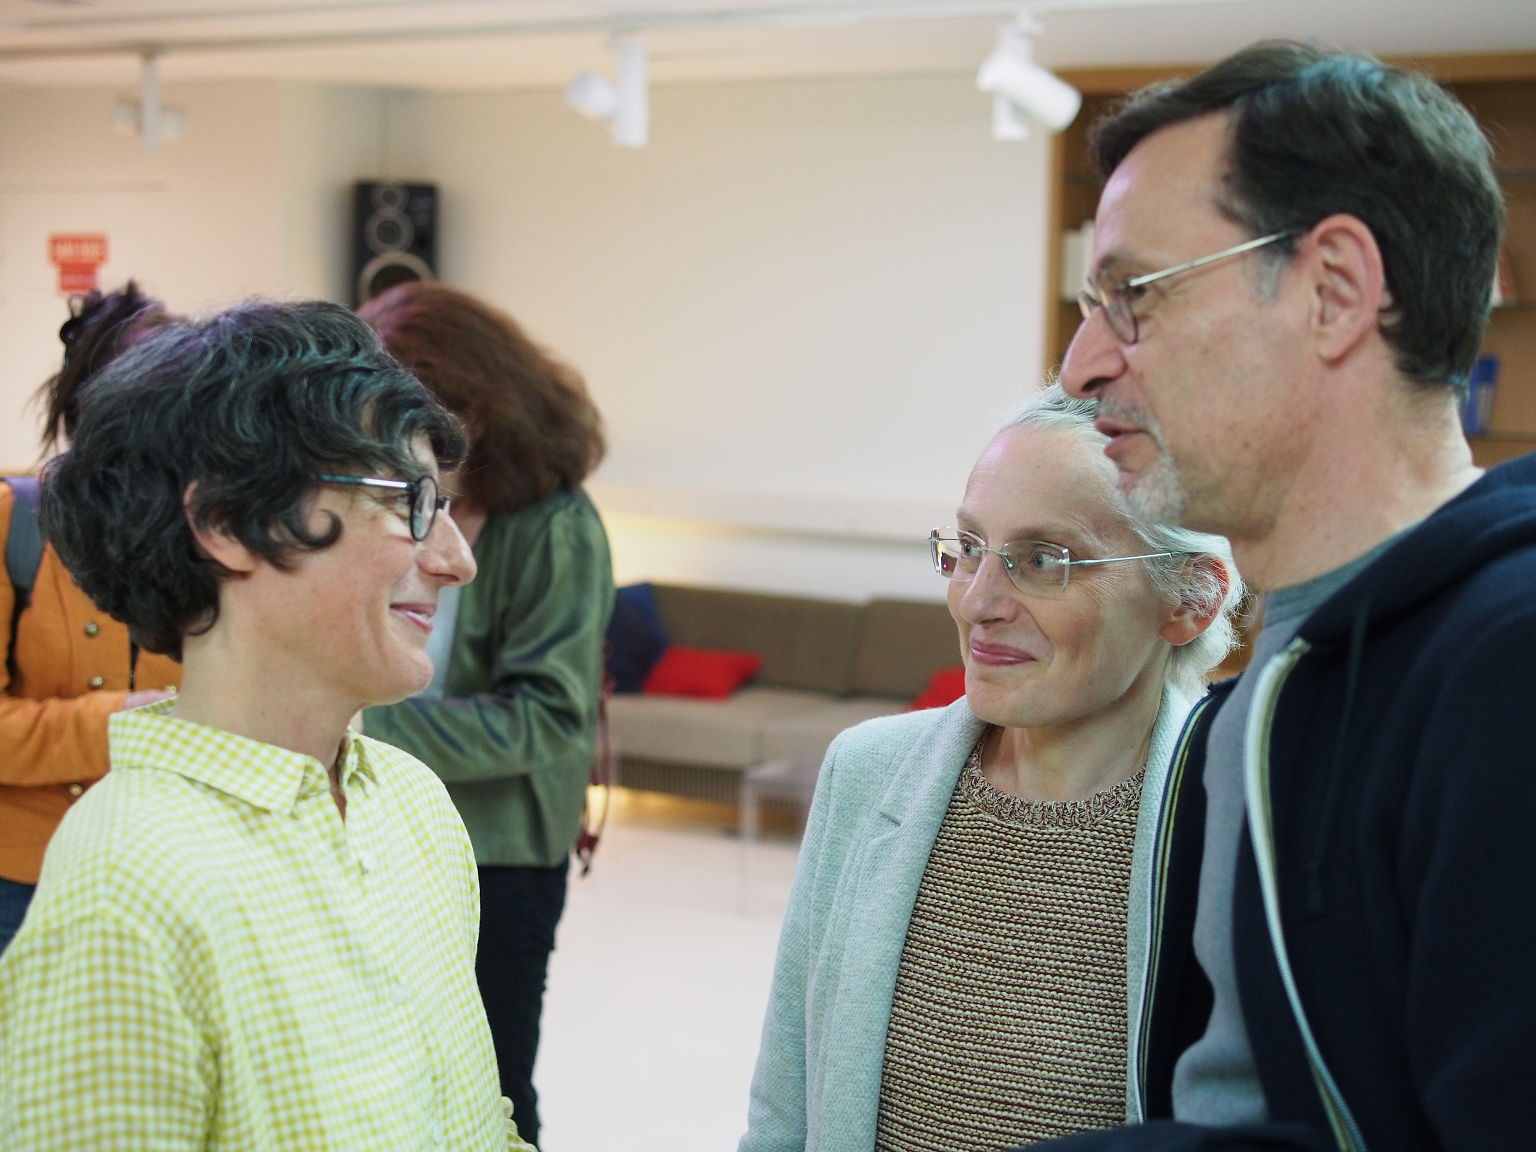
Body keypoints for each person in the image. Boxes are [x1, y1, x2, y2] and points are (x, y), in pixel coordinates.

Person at [1042, 40, 1528, 1152]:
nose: (1080, 367)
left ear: (1333, 291)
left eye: (1133, 296)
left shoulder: (1510, 670)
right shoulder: (1268, 688)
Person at [0, 299, 533, 1151]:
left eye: (446, 508)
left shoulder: (411, 803)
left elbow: (475, 1121)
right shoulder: (128, 891)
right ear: (226, 523)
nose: (455, 560)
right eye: (410, 503)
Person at [739, 385, 1241, 1152]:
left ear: (1189, 599)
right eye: (970, 547)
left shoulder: (1236, 826)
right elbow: (784, 1112)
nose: (978, 602)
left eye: (1042, 560)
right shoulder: (866, 772)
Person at [358, 280, 614, 1147]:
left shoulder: (554, 524)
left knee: (493, 1083)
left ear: (476, 403)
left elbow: (547, 717)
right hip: (392, 826)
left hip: (501, 852)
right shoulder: (397, 498)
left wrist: (362, 726)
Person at [0, 281, 179, 955]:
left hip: (167, 873)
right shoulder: (16, 524)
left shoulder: (222, 537)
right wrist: (125, 720)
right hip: (22, 882)